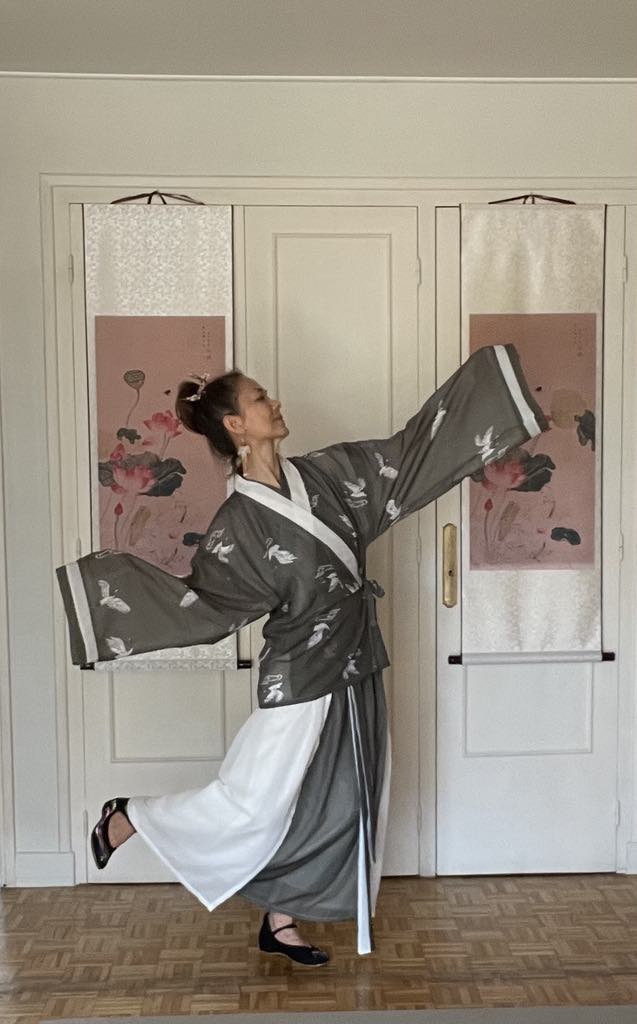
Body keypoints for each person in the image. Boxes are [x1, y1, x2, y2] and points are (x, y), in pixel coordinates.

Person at [56, 344, 548, 965]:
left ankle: (280, 919)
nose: (275, 402)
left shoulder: (328, 474)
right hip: (301, 674)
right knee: (254, 801)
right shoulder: (238, 522)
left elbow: (407, 458)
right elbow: (207, 606)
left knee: (341, 798)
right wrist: (106, 604)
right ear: (236, 425)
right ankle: (131, 816)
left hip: (357, 658)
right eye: (260, 398)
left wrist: (493, 399)